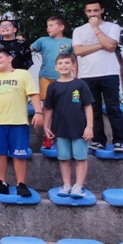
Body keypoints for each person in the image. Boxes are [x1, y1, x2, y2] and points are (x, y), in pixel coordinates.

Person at [0, 50, 43, 198]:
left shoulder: (23, 74)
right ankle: (2, 183)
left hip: (18, 121)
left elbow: (33, 93)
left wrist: (38, 113)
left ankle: (21, 184)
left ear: (10, 58)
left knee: (19, 154)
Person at [72, 0, 123, 153]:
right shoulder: (79, 30)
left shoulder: (112, 27)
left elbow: (111, 46)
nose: (92, 14)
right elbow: (78, 51)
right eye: (89, 11)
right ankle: (99, 141)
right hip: (87, 75)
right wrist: (101, 44)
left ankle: (119, 142)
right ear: (85, 12)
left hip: (109, 73)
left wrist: (96, 29)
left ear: (102, 10)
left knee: (113, 108)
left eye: (95, 10)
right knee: (93, 109)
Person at [43, 54, 94, 198]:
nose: (63, 65)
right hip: (60, 129)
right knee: (63, 158)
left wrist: (89, 126)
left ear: (73, 66)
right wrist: (46, 126)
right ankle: (66, 185)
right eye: (60, 63)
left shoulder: (80, 84)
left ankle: (78, 186)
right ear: (56, 67)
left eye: (66, 63)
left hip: (79, 129)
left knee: (80, 158)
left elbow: (88, 106)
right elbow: (49, 108)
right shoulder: (52, 86)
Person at [29, 16, 73, 148]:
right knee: (47, 106)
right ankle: (47, 136)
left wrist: (75, 78)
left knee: (65, 106)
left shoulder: (70, 42)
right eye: (47, 25)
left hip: (65, 79)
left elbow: (74, 61)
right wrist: (19, 41)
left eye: (52, 25)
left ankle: (63, 135)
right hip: (45, 77)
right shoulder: (42, 40)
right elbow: (27, 50)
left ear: (61, 27)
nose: (48, 28)